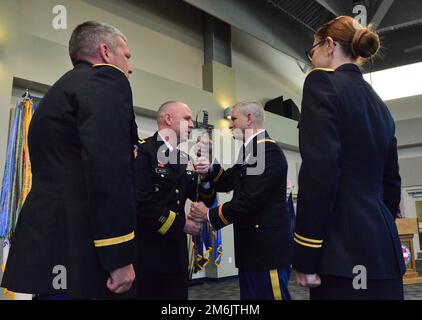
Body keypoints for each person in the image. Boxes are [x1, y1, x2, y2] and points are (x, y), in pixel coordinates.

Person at [1, 21, 139, 299]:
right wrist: (118, 256)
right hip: (83, 250)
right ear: (105, 51)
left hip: (50, 245)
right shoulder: (105, 81)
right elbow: (108, 170)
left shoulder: (58, 91)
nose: (130, 67)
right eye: (126, 55)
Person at [293, 16, 405, 300]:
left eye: (312, 50)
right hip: (382, 250)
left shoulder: (321, 83)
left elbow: (320, 172)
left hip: (341, 253)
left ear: (329, 44)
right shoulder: (380, 105)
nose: (312, 58)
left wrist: (306, 253)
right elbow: (392, 182)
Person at [189, 101, 293, 300]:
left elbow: (250, 199)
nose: (230, 125)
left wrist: (209, 215)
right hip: (252, 250)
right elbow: (228, 181)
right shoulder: (251, 150)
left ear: (249, 119)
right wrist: (209, 167)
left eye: (234, 119)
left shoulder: (266, 151)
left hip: (266, 251)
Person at [134, 101, 215, 300]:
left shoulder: (183, 158)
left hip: (175, 254)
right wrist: (182, 225)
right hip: (146, 253)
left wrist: (205, 176)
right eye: (186, 118)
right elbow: (142, 203)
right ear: (168, 119)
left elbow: (203, 197)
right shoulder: (143, 151)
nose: (192, 125)